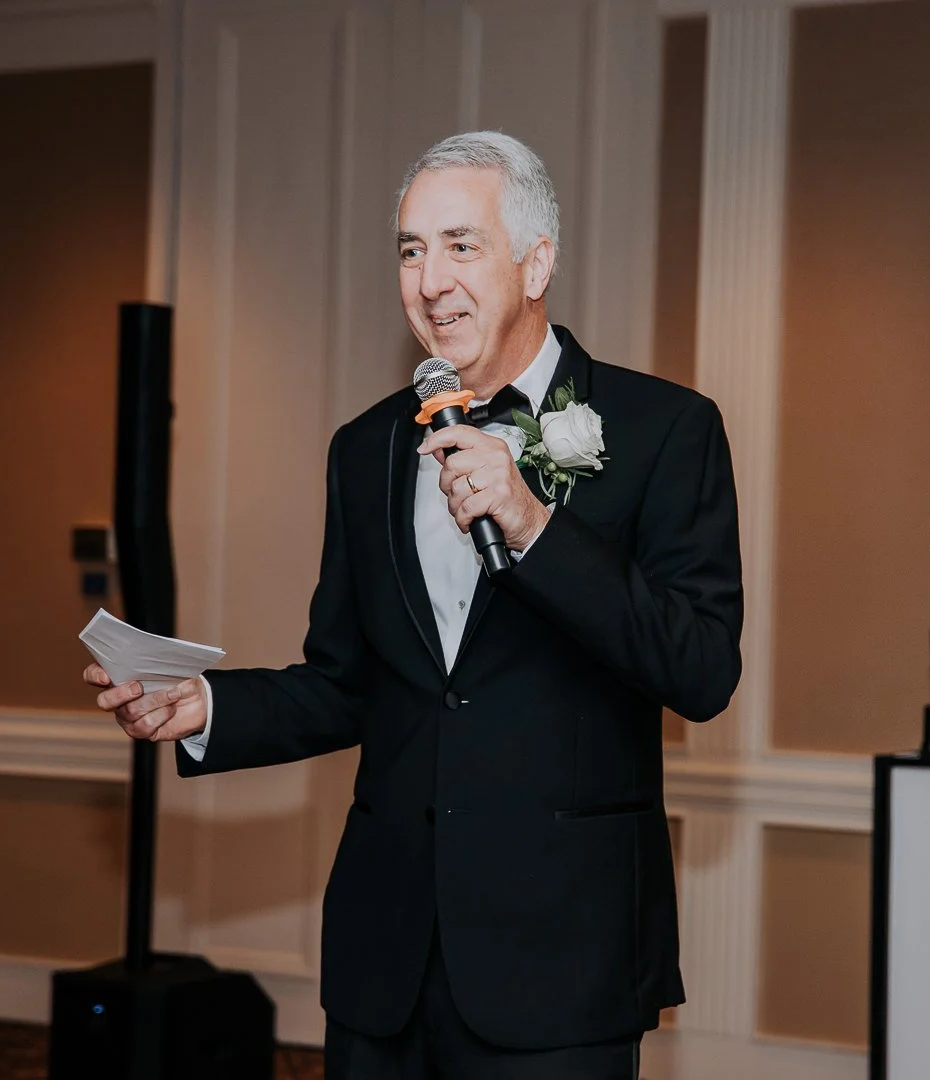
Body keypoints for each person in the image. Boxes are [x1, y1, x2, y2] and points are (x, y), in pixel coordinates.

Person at [86, 131, 743, 1079]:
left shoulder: (663, 430)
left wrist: (530, 523)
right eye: (409, 249)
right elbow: (349, 683)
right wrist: (208, 707)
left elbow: (701, 668)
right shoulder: (367, 449)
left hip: (559, 961)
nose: (428, 280)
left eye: (459, 245)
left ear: (536, 263)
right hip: (382, 961)